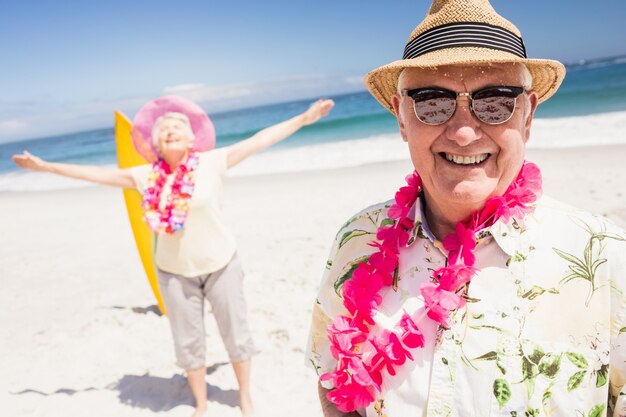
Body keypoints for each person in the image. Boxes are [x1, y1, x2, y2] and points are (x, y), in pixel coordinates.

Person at [305, 1, 626, 416]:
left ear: (528, 115)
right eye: (432, 102)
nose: (462, 131)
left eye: (495, 100)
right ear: (403, 119)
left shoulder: (607, 259)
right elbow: (334, 384)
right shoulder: (356, 241)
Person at [13, 95, 334, 417]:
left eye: (177, 125)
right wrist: (44, 166)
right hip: (173, 272)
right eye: (163, 128)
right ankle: (201, 403)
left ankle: (245, 398)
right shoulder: (145, 177)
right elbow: (95, 174)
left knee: (236, 334)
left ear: (192, 137)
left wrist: (304, 119)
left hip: (222, 264)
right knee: (188, 342)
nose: (170, 129)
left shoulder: (212, 162)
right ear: (155, 142)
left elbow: (259, 139)